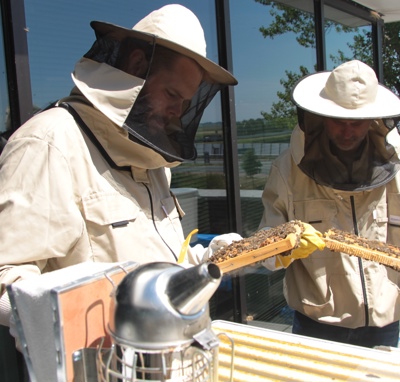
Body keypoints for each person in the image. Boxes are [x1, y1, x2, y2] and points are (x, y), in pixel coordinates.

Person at [0, 5, 241, 330]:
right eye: (172, 93)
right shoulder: (48, 143)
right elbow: (9, 282)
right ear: (137, 66)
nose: (177, 112)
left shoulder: (151, 162)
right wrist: (111, 319)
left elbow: (159, 268)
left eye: (185, 102)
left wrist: (211, 259)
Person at [259, 60, 400, 348]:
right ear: (318, 117)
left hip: (385, 326)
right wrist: (283, 248)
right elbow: (263, 248)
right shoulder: (287, 172)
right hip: (316, 326)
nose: (347, 130)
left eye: (356, 122)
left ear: (374, 119)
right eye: (338, 120)